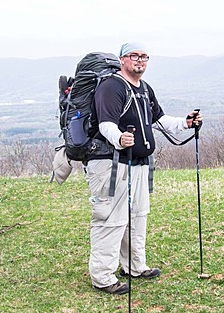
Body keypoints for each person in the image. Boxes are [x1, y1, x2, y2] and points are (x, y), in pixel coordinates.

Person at [86, 41, 202, 294]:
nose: (140, 60)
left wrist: (186, 123)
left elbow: (158, 120)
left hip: (139, 164)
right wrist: (119, 138)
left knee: (137, 217)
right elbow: (106, 123)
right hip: (111, 165)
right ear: (122, 60)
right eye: (134, 56)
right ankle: (103, 277)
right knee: (110, 220)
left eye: (144, 56)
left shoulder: (144, 89)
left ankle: (135, 266)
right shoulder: (111, 87)